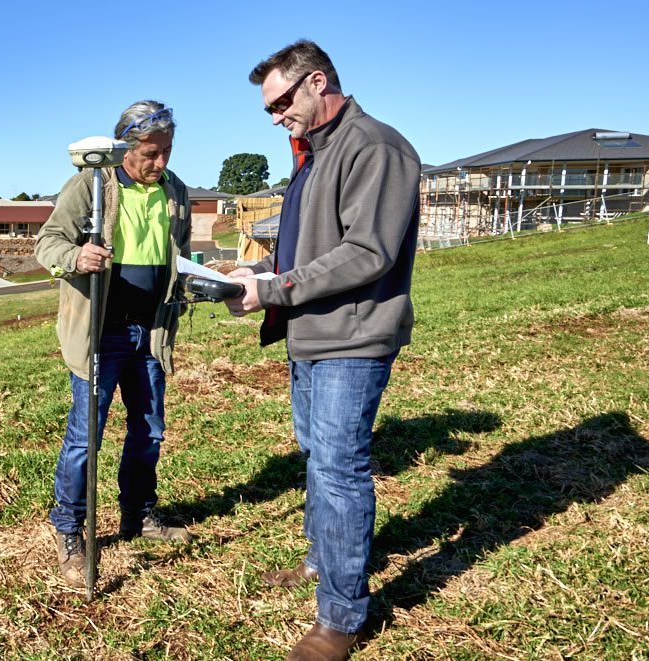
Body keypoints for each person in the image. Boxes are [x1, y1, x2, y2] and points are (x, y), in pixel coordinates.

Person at [226, 40, 421, 660]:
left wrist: (274, 289)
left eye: (280, 102)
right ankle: (323, 560)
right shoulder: (314, 154)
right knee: (317, 457)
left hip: (352, 337)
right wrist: (256, 274)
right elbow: (308, 249)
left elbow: (367, 253)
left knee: (339, 469)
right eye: (268, 108)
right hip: (310, 333)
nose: (275, 116)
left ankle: (340, 617)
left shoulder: (375, 146)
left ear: (317, 82)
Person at [35, 100, 194, 588]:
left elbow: (180, 256)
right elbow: (47, 243)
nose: (160, 162)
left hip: (152, 333)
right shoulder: (91, 185)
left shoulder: (175, 191)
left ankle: (137, 514)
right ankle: (68, 528)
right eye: (150, 153)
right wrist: (75, 257)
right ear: (126, 147)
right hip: (101, 333)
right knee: (87, 436)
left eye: (167, 151)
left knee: (149, 431)